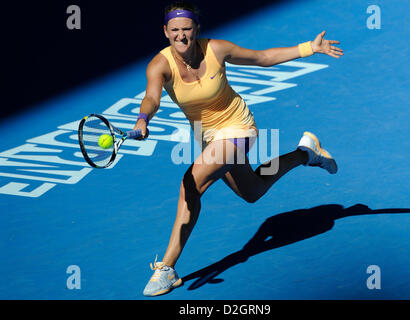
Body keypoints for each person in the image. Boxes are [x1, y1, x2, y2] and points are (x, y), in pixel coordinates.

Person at [134, 1, 343, 296]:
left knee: (190, 186)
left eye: (187, 29)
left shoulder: (216, 49)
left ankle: (167, 267)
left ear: (196, 29)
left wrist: (309, 47)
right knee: (253, 192)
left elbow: (263, 57)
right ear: (165, 32)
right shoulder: (160, 64)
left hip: (239, 128)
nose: (181, 36)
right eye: (175, 31)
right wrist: (143, 118)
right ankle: (305, 152)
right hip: (209, 139)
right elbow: (151, 98)